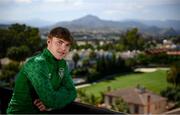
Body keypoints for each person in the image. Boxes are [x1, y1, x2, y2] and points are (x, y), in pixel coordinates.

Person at [6, 27, 77, 114]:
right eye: (60, 42)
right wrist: (51, 102)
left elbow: (72, 91)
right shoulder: (37, 63)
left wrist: (50, 103)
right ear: (49, 42)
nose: (64, 48)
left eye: (67, 45)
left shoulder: (63, 64)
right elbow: (50, 100)